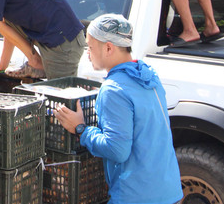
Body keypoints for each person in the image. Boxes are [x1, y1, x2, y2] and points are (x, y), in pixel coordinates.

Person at [55, 14, 183, 204]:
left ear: (108, 47)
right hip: (169, 190)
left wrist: (81, 129)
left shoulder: (113, 89)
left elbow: (117, 150)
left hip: (137, 196)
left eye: (90, 47)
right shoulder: (148, 76)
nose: (87, 53)